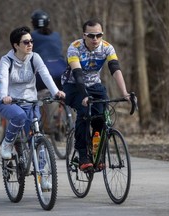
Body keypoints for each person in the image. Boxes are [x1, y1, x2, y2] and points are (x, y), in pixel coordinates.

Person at [61, 18, 132, 171]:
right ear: (84, 35)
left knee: (101, 119)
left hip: (94, 85)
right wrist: (84, 95)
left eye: (99, 35)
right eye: (91, 36)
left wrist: (125, 93)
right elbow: (78, 74)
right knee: (85, 112)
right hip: (73, 85)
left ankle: (96, 153)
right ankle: (82, 155)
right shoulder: (74, 48)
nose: (95, 39)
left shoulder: (107, 47)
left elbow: (115, 69)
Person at [0, 26, 65, 161]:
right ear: (16, 45)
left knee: (36, 136)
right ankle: (7, 143)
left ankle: (43, 175)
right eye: (26, 42)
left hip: (30, 102)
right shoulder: (6, 60)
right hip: (10, 102)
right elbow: (3, 79)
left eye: (31, 41)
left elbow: (46, 75)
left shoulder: (35, 57)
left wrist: (56, 92)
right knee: (19, 116)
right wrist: (4, 96)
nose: (30, 44)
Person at [30, 9, 66, 91]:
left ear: (33, 23)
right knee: (65, 98)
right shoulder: (56, 35)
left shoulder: (31, 36)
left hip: (43, 71)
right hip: (62, 69)